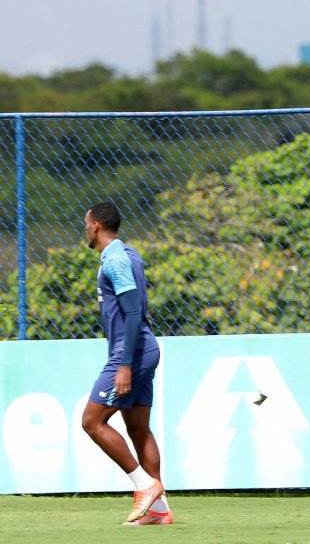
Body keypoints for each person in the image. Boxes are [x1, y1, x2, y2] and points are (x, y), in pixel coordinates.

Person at [79, 202, 172, 526]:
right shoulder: (128, 253)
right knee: (138, 428)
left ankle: (145, 486)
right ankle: (160, 511)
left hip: (130, 353)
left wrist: (125, 365)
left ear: (95, 227)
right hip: (141, 349)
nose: (85, 230)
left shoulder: (115, 260)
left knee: (92, 421)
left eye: (86, 225)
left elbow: (133, 313)